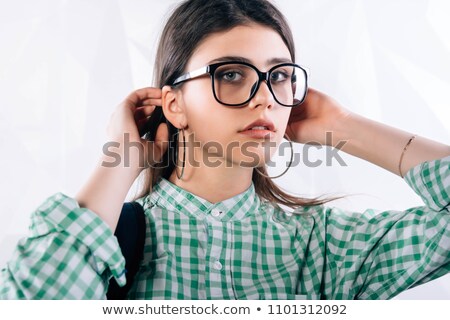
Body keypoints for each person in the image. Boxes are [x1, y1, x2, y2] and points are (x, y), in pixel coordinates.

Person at [0, 0, 449, 300]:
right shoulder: (110, 242)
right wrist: (122, 158)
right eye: (231, 73)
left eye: (278, 76)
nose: (263, 97)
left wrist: (341, 126)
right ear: (173, 105)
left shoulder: (327, 246)